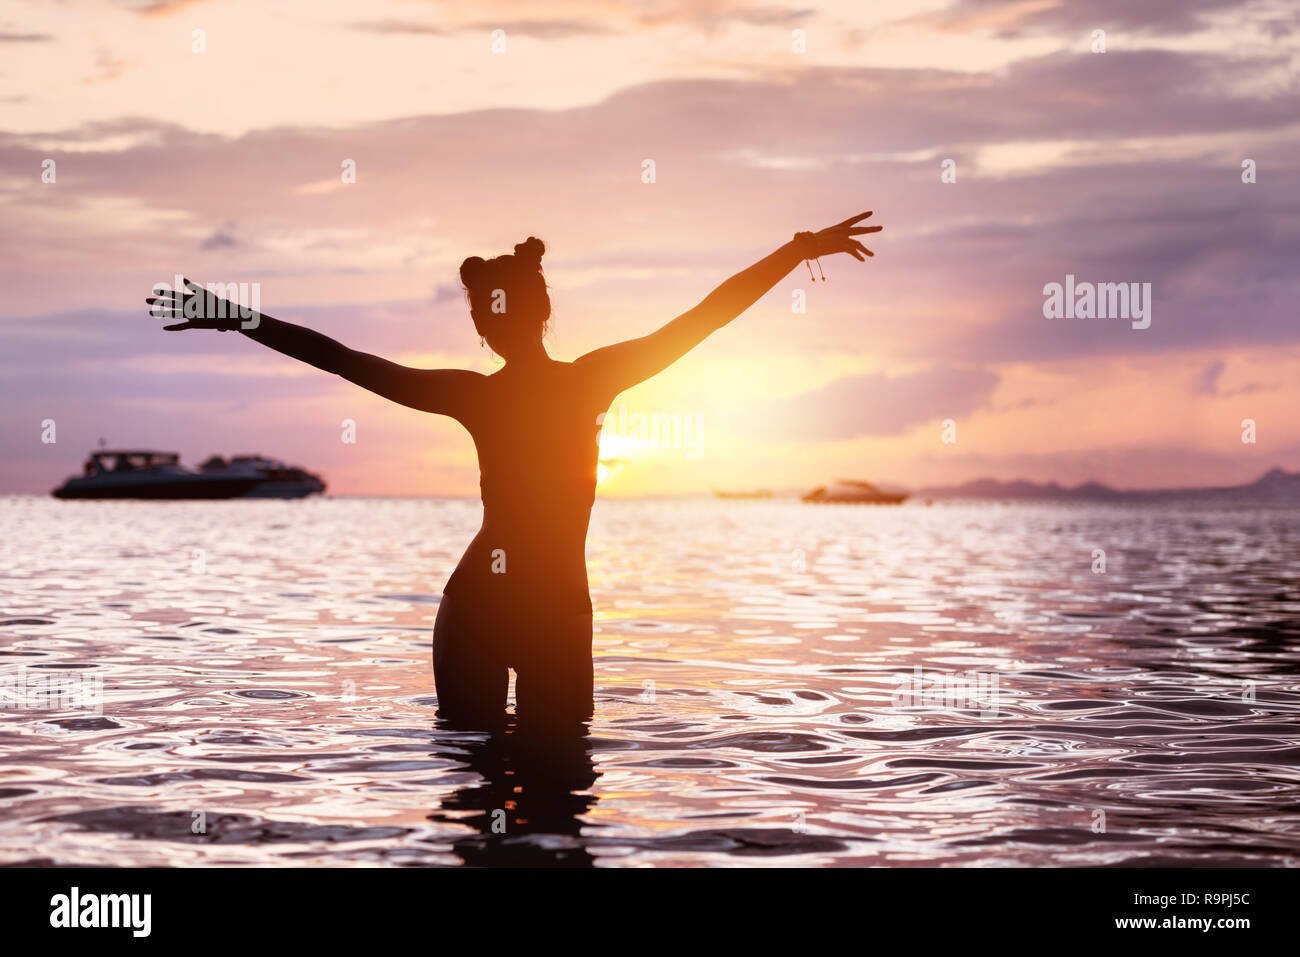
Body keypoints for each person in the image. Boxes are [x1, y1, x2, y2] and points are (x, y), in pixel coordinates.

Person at [145, 212, 881, 730]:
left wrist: (233, 316)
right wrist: (796, 250)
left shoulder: (476, 395)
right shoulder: (592, 379)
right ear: (542, 310)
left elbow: (344, 358)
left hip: (483, 605)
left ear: (485, 324)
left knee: (475, 800)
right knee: (561, 804)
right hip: (555, 606)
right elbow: (708, 314)